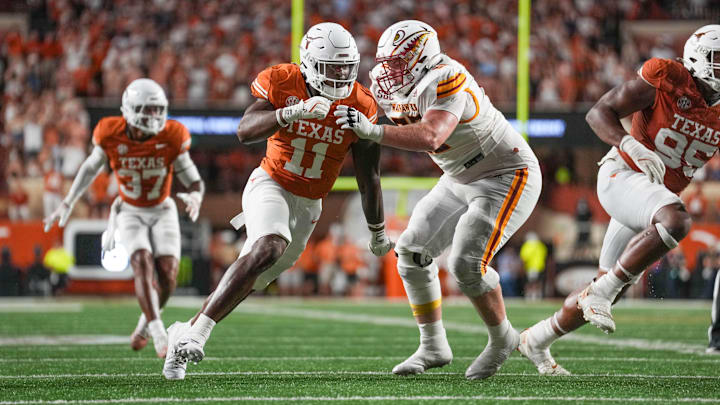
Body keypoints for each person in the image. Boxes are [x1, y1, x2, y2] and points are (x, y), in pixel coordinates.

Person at [162, 22, 393, 380]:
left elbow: (369, 175)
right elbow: (244, 131)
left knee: (253, 278)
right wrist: (292, 112)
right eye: (333, 68)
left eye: (347, 68)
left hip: (310, 205)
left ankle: (182, 332)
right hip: (271, 183)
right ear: (310, 63)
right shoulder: (283, 80)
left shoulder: (361, 103)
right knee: (269, 246)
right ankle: (198, 333)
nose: (342, 76)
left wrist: (377, 231)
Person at [335, 20, 542, 380]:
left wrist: (374, 130)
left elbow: (432, 135)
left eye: (398, 63)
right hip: (459, 176)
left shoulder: (447, 77)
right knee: (412, 251)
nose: (388, 72)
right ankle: (433, 345)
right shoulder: (395, 85)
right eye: (387, 62)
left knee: (466, 264)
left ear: (422, 58)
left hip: (505, 174)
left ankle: (501, 338)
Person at [519, 24, 720, 374]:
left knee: (610, 286)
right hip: (623, 176)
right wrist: (628, 143)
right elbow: (598, 112)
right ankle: (600, 293)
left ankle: (536, 339)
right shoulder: (667, 75)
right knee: (677, 220)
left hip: (650, 196)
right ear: (697, 58)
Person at [43, 78, 205, 358]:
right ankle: (157, 333)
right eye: (147, 109)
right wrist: (68, 201)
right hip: (129, 209)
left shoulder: (171, 135)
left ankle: (143, 325)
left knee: (168, 277)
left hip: (162, 208)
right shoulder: (110, 132)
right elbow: (90, 167)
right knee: (141, 262)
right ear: (129, 109)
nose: (154, 116)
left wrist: (197, 196)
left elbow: (193, 180)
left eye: (158, 109)